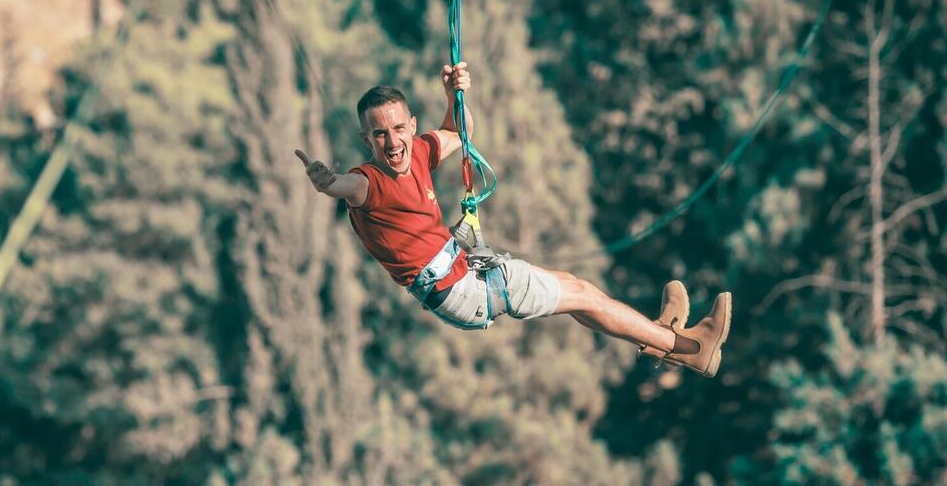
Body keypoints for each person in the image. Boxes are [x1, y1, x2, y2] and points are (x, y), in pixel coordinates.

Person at [295, 62, 731, 377]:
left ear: (412, 125)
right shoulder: (367, 181)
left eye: (398, 129)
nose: (392, 142)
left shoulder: (421, 154)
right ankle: (690, 348)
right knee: (581, 293)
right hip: (460, 289)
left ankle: (660, 338)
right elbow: (343, 188)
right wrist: (324, 181)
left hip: (462, 277)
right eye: (378, 134)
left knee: (575, 292)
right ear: (365, 139)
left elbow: (459, 132)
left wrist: (453, 96)